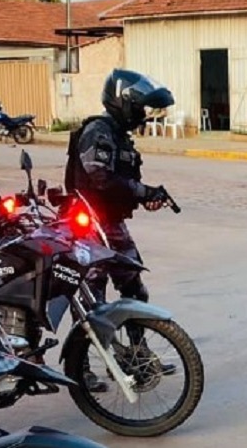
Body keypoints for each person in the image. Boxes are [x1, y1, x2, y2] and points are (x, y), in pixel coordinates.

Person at [65, 68, 176, 388]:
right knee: (92, 299)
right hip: (88, 227)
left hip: (111, 225)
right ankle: (80, 368)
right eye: (139, 107)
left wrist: (146, 197)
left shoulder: (117, 134)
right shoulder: (98, 131)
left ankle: (138, 356)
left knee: (134, 288)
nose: (142, 114)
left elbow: (123, 184)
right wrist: (145, 192)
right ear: (123, 102)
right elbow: (101, 179)